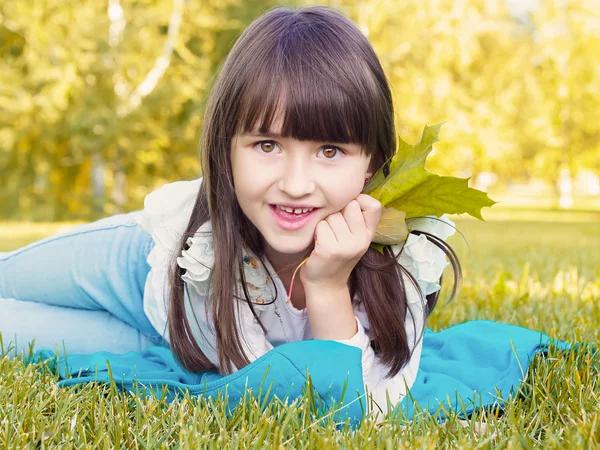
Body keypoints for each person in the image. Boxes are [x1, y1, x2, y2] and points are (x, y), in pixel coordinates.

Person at [0, 5, 461, 417]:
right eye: (267, 145)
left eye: (330, 150)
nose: (296, 185)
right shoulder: (196, 241)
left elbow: (357, 407)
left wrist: (327, 286)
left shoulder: (403, 265)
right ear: (228, 151)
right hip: (138, 266)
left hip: (171, 339)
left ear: (372, 165)